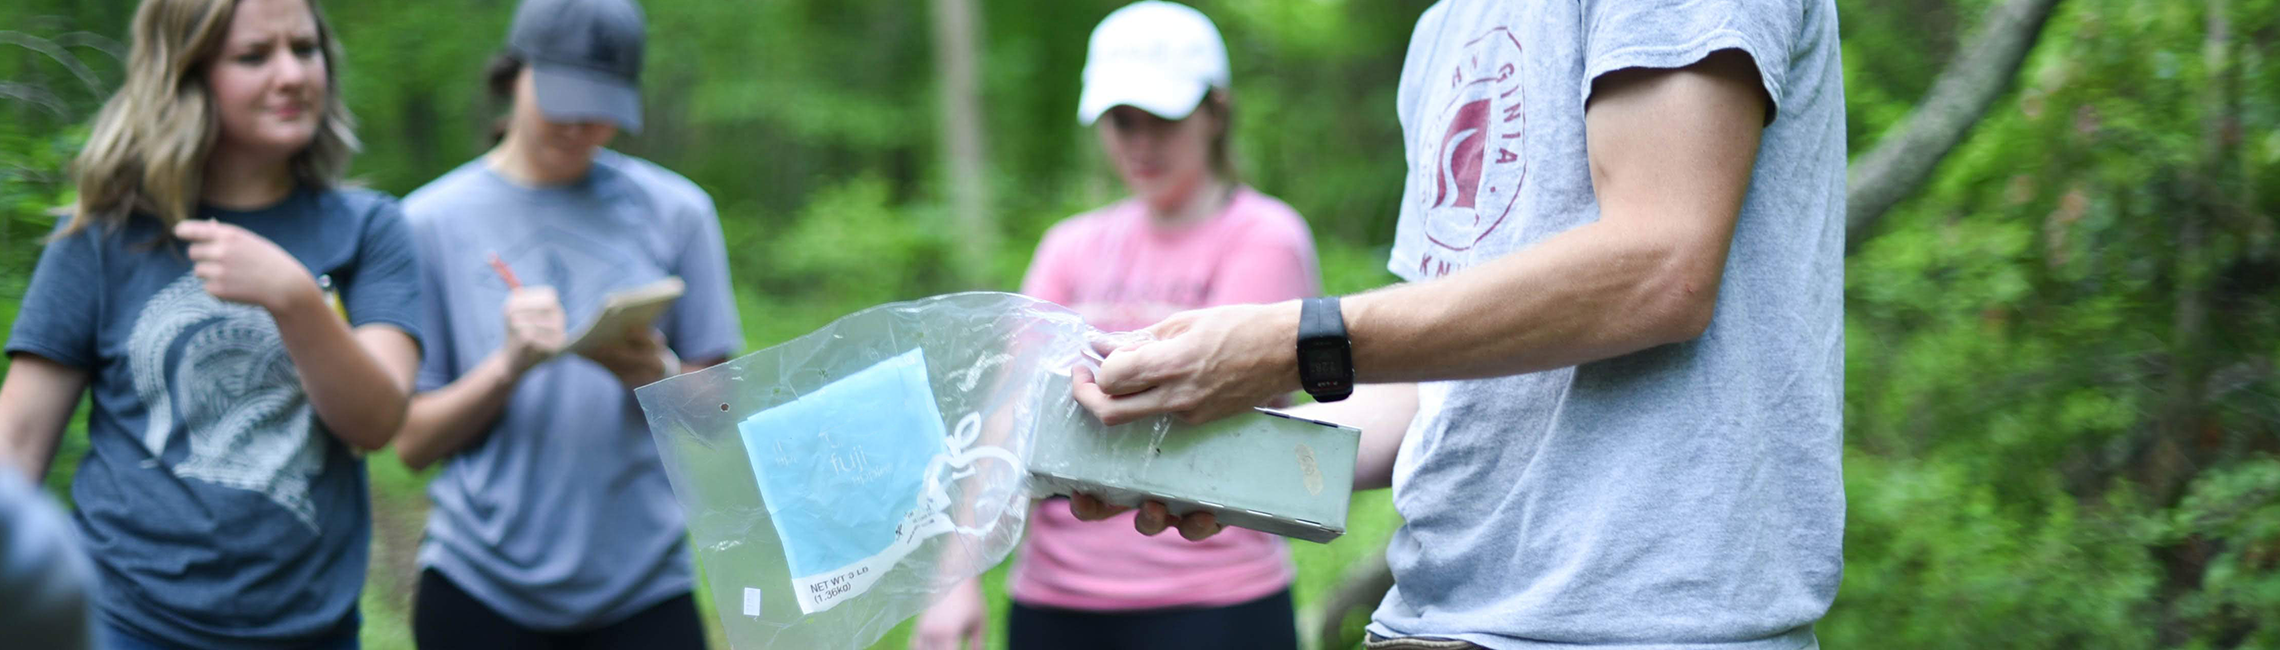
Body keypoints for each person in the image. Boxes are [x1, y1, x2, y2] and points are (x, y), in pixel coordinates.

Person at [1066, 0, 1848, 648]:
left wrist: (1290, 343)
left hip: (1648, 624)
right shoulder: (1445, 24)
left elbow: (1662, 268)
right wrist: (1194, 457)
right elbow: (1441, 391)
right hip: (1427, 620)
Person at [0, 0, 426, 646]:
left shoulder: (369, 228)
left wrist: (295, 298)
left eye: (304, 49)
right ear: (186, 75)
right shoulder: (103, 235)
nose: (291, 75)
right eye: (254, 56)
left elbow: (377, 422)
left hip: (313, 631)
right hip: (126, 625)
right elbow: (17, 444)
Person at [913, 3, 1320, 650]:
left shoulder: (1263, 238)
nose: (1141, 143)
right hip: (1056, 598)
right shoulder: (1070, 247)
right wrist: (956, 577)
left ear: (1215, 113)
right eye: (1122, 120)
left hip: (1215, 597)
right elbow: (1012, 411)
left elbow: (1217, 408)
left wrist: (1083, 405)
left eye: (1163, 118)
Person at [390, 0, 740, 646]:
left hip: (646, 590)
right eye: (563, 100)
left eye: (601, 108)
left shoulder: (678, 212)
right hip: (477, 589)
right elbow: (412, 444)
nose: (580, 125)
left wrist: (658, 374)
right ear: (512, 75)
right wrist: (507, 367)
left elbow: (722, 418)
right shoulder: (428, 222)